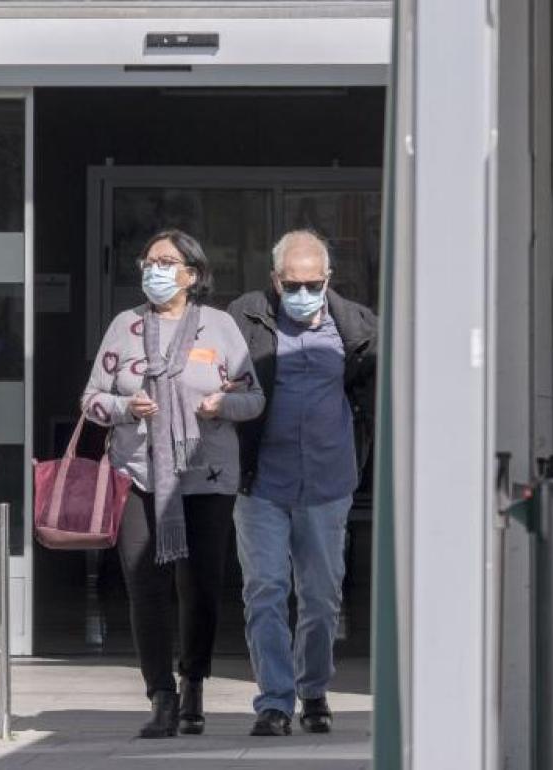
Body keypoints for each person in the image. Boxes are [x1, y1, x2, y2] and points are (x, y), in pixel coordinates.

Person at [82, 229, 265, 738]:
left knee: (201, 586)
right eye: (149, 260)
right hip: (139, 473)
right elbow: (93, 398)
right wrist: (124, 407)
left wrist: (221, 404)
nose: (155, 269)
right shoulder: (126, 326)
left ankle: (194, 684)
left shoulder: (220, 327)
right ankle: (160, 694)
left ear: (193, 274)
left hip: (205, 475)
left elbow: (254, 398)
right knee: (146, 588)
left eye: (167, 262)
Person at [227, 229, 377, 736]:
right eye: (292, 282)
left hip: (329, 481)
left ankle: (313, 690)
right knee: (264, 589)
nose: (302, 292)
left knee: (320, 597)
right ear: (275, 279)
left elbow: (379, 388)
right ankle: (274, 699)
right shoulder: (246, 316)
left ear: (327, 279)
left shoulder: (355, 324)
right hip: (262, 482)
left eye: (312, 283)